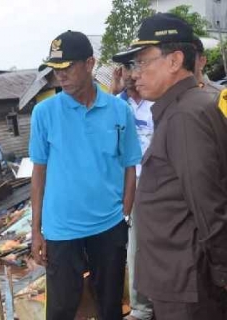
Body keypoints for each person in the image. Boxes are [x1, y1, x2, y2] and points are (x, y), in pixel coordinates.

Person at [115, 13, 227, 319]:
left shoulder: (184, 116)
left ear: (175, 61)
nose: (134, 73)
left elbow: (208, 205)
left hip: (188, 283)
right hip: (178, 277)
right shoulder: (186, 106)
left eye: (142, 62)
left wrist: (222, 272)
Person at [29, 30, 142, 320]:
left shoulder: (119, 110)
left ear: (90, 63)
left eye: (67, 68)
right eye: (56, 70)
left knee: (109, 306)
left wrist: (125, 215)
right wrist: (36, 230)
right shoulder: (44, 113)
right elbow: (38, 172)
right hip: (61, 230)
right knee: (61, 309)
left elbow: (130, 165)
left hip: (109, 227)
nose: (61, 76)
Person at [111, 55, 155, 320]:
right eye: (126, 67)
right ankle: (141, 308)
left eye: (134, 65)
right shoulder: (114, 107)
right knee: (135, 248)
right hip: (129, 186)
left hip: (161, 183)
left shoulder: (157, 102)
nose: (130, 73)